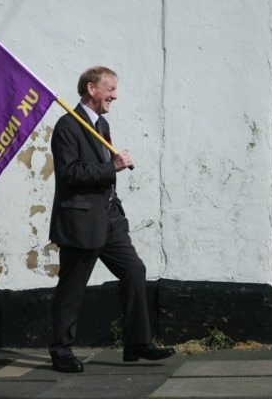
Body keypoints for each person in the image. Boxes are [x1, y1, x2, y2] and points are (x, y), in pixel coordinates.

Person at [47, 66, 175, 373]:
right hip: (80, 222)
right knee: (72, 289)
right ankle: (61, 351)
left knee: (134, 270)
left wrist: (115, 206)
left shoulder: (101, 125)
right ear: (91, 89)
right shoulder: (67, 126)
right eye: (110, 89)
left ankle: (136, 344)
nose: (114, 96)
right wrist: (113, 167)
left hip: (109, 220)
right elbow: (69, 174)